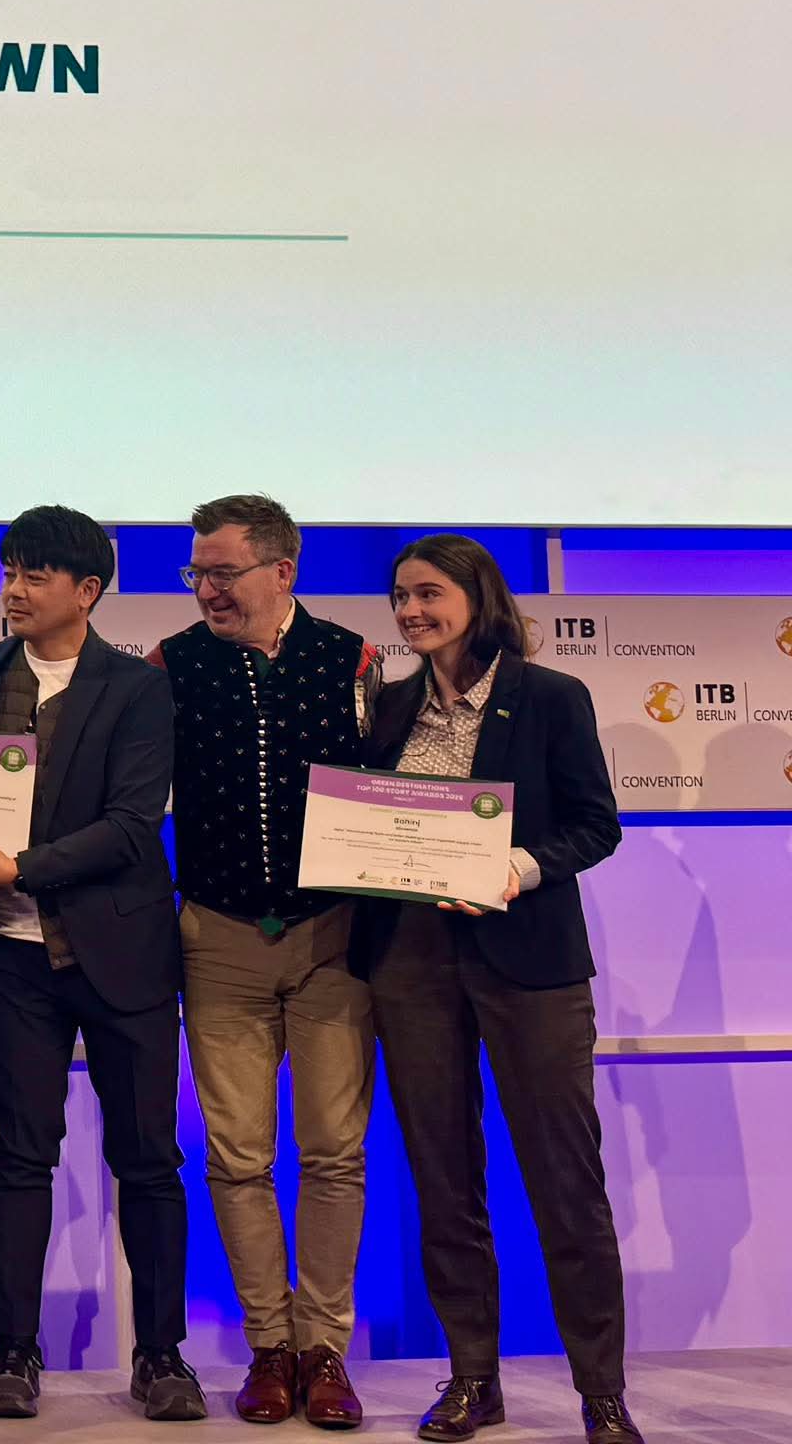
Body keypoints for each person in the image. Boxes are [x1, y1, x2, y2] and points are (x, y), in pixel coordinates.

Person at [0, 506, 204, 1424]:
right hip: (14, 957)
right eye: (9, 572)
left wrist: (22, 867)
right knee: (21, 1156)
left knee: (148, 1160)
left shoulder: (137, 688)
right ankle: (14, 1350)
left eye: (35, 575)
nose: (14, 590)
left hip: (122, 954)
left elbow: (130, 826)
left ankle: (162, 1356)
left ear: (87, 591)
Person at [351, 536, 639, 1444]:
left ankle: (602, 1393)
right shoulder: (387, 707)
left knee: (565, 1182)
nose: (411, 612)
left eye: (429, 594)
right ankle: (473, 1379)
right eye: (401, 597)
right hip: (411, 962)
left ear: (477, 598)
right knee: (443, 1180)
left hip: (531, 963)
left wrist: (519, 866)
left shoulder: (551, 696)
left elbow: (596, 825)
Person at [149, 495, 378, 1429]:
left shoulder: (354, 659)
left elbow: (399, 789)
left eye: (224, 573)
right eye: (197, 574)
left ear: (282, 572)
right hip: (218, 940)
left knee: (335, 1153)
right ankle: (269, 1351)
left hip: (335, 940)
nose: (207, 590)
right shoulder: (171, 664)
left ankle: (325, 1350)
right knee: (238, 1157)